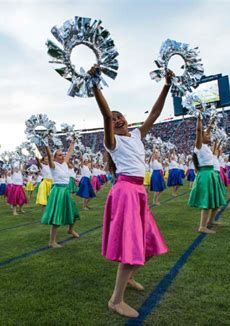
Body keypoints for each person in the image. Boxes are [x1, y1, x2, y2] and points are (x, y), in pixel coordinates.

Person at [90, 65, 170, 318]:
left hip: (138, 192)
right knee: (131, 245)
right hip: (126, 191)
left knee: (150, 243)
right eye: (113, 119)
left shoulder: (136, 135)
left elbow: (155, 113)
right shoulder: (112, 142)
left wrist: (166, 85)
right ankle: (116, 300)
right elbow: (104, 115)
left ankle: (130, 278)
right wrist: (94, 84)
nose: (116, 119)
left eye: (119, 116)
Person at [188, 115, 227, 234]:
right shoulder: (199, 146)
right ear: (201, 137)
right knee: (207, 202)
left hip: (211, 174)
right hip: (205, 174)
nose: (209, 135)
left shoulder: (206, 147)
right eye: (207, 135)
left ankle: (210, 222)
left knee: (216, 201)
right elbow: (199, 131)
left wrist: (212, 120)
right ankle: (202, 226)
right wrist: (199, 118)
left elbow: (207, 129)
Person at [40, 142, 80, 248]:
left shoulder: (64, 163)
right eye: (59, 155)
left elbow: (70, 151)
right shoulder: (53, 165)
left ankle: (70, 229)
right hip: (58, 191)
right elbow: (49, 156)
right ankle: (52, 241)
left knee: (74, 212)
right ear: (54, 157)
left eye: (62, 154)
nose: (62, 156)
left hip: (65, 190)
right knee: (57, 216)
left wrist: (73, 141)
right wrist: (47, 147)